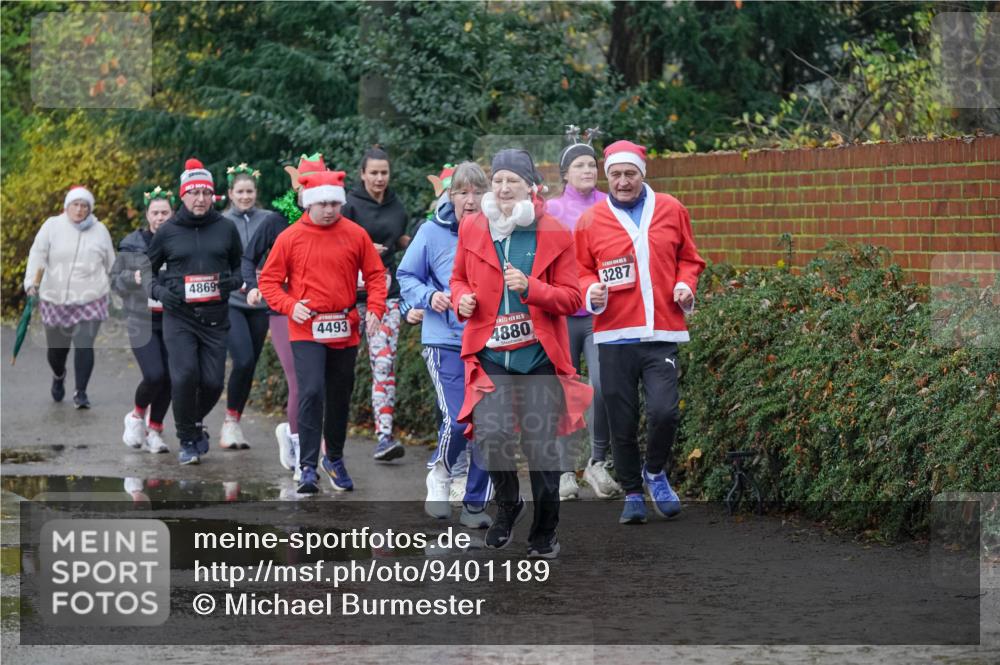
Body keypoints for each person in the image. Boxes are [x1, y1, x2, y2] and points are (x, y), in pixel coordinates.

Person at [450, 149, 592, 559]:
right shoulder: (474, 227)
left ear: (530, 187)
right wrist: (461, 299)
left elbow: (572, 297)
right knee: (492, 437)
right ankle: (508, 504)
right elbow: (458, 278)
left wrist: (532, 288)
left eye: (512, 180)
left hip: (537, 358)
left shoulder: (554, 233)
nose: (504, 187)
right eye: (498, 180)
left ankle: (545, 530)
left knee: (541, 448)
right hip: (492, 356)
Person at [574, 140, 706, 524]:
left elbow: (690, 258)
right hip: (614, 334)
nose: (623, 181)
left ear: (642, 175)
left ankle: (655, 472)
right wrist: (590, 290)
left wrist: (686, 285)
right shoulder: (590, 221)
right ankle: (632, 491)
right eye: (615, 174)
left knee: (665, 411)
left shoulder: (670, 208)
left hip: (661, 330)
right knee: (622, 420)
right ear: (607, 177)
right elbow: (581, 269)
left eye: (630, 174)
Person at [258, 170, 387, 495]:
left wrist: (375, 309)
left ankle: (336, 459)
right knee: (312, 391)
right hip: (307, 328)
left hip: (345, 327)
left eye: (334, 203)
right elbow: (269, 282)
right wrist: (290, 306)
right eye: (323, 204)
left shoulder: (356, 234)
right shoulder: (290, 237)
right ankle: (307, 467)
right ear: (309, 203)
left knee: (340, 395)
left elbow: (375, 275)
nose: (329, 210)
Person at [397, 162, 493, 528]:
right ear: (449, 195)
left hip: (489, 340)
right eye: (462, 192)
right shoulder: (430, 232)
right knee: (457, 418)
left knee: (489, 424)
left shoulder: (499, 231)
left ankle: (473, 505)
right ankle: (440, 473)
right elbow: (406, 275)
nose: (470, 200)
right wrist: (429, 296)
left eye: (476, 192)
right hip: (445, 339)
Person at [146, 158, 244, 465]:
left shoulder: (226, 228)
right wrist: (160, 292)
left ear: (213, 196)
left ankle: (192, 421)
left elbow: (240, 267)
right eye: (193, 193)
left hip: (216, 318)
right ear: (183, 196)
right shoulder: (168, 231)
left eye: (205, 193)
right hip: (180, 317)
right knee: (185, 375)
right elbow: (146, 271)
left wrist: (233, 282)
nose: (200, 199)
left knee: (214, 383)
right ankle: (187, 439)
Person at [546, 125, 621, 501]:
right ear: (565, 174)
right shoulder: (551, 209)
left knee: (603, 386)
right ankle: (563, 472)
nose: (589, 171)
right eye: (580, 165)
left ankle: (598, 462)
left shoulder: (610, 206)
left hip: (599, 313)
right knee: (564, 392)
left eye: (592, 165)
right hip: (561, 314)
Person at [245, 153, 327, 478]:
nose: (314, 191)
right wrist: (251, 286)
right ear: (298, 187)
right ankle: (299, 450)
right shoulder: (277, 219)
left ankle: (308, 443)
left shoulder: (334, 219)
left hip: (324, 310)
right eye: (307, 184)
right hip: (283, 308)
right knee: (299, 380)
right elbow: (248, 256)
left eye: (319, 184)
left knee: (320, 383)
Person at [342, 146, 410, 462]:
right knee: (337, 369)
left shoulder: (397, 207)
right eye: (374, 173)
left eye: (384, 172)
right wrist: (363, 247)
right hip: (345, 299)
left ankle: (384, 436)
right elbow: (332, 242)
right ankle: (327, 433)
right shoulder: (348, 205)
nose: (380, 178)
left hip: (385, 296)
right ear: (363, 174)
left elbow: (401, 241)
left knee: (384, 365)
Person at [24, 185, 116, 409]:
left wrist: (119, 289)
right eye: (75, 204)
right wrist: (30, 283)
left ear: (90, 209)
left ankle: (81, 392)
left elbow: (111, 263)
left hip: (91, 297)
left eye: (84, 205)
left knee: (85, 345)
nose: (79, 210)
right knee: (57, 350)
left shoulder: (100, 230)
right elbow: (38, 255)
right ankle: (58, 375)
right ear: (67, 206)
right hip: (55, 298)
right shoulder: (52, 226)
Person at [219, 162, 280, 449]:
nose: (245, 196)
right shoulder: (221, 222)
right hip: (232, 301)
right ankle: (229, 424)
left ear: (256, 192)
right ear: (230, 193)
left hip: (262, 301)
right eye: (240, 192)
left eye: (250, 191)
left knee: (249, 364)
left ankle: (235, 420)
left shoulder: (268, 219)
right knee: (242, 359)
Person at [113, 186, 174, 453]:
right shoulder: (132, 243)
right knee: (154, 374)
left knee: (172, 377)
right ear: (147, 215)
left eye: (165, 212)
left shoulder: (180, 240)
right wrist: (133, 278)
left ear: (173, 214)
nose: (160, 217)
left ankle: (156, 431)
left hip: (173, 318)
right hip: (142, 319)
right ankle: (137, 415)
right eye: (155, 212)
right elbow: (115, 280)